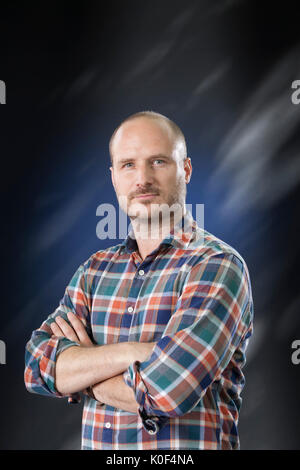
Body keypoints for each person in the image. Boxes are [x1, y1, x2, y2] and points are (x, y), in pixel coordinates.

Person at [24, 110, 254, 450]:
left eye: (158, 161)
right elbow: (37, 366)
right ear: (114, 177)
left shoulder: (217, 266)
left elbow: (170, 390)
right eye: (128, 164)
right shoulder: (94, 271)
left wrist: (84, 372)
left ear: (186, 170)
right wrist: (134, 353)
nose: (142, 178)